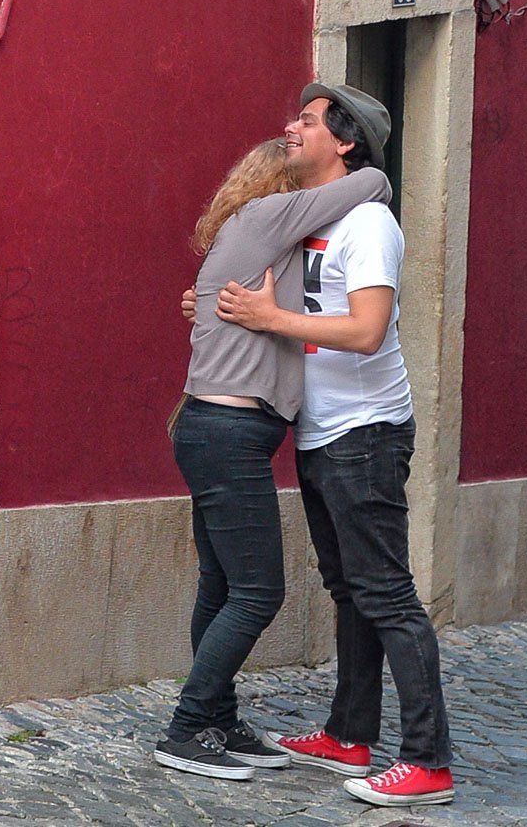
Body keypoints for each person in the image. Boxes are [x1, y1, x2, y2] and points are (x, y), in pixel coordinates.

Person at [212, 83, 456, 808]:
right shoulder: (314, 219)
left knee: (386, 593)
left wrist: (271, 316)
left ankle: (428, 760)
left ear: (345, 142)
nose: (291, 127)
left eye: (309, 121)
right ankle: (349, 735)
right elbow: (293, 306)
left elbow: (366, 330)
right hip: (323, 431)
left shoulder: (368, 224)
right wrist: (227, 308)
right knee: (349, 589)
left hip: (366, 433)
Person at [154, 137, 390, 782]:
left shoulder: (262, 245)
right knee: (259, 591)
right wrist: (349, 151)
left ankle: (218, 720)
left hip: (220, 430)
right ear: (282, 183)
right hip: (227, 431)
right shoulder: (265, 218)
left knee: (222, 584)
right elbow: (370, 184)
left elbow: (244, 311)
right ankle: (186, 726)